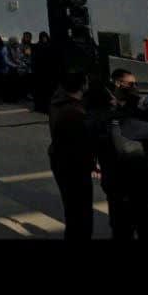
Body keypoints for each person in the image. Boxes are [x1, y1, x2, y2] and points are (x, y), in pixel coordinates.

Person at [92, 69, 148, 241]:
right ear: (118, 85)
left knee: (120, 227)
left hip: (113, 184)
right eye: (131, 84)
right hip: (136, 186)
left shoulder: (100, 117)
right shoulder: (129, 124)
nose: (135, 87)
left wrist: (95, 162)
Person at [48, 70, 96, 240]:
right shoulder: (75, 113)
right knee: (81, 214)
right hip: (74, 167)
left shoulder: (58, 103)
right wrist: (92, 164)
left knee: (72, 210)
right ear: (82, 86)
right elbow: (81, 145)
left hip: (60, 161)